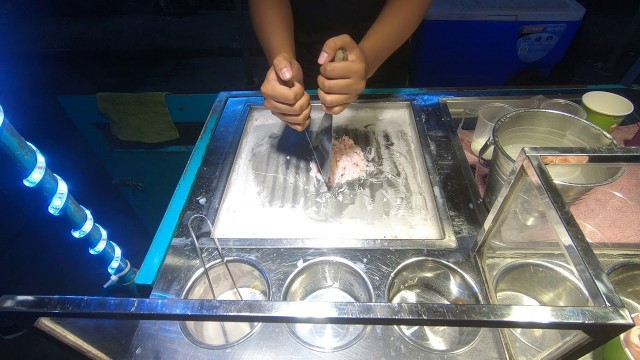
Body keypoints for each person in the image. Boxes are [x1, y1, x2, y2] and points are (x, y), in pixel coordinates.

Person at [248, 0, 432, 131]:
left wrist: (367, 59)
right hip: (300, 51)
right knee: (294, 111)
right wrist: (283, 61)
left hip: (384, 50)